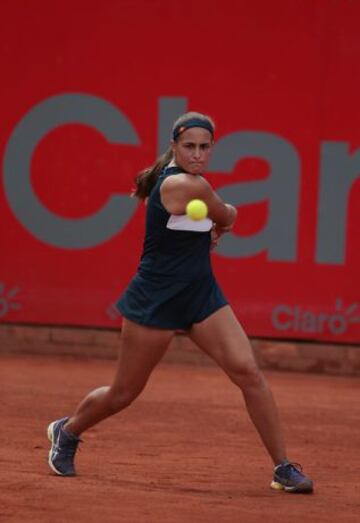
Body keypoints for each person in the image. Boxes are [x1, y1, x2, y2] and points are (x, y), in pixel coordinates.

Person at [47, 111, 313, 493]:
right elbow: (229, 214)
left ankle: (283, 467)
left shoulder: (193, 184)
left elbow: (212, 222)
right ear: (174, 146)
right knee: (124, 393)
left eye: (205, 147)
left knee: (248, 373)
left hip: (201, 294)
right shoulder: (185, 186)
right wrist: (222, 221)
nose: (198, 154)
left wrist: (212, 227)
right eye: (189, 146)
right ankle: (67, 430)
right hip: (155, 299)